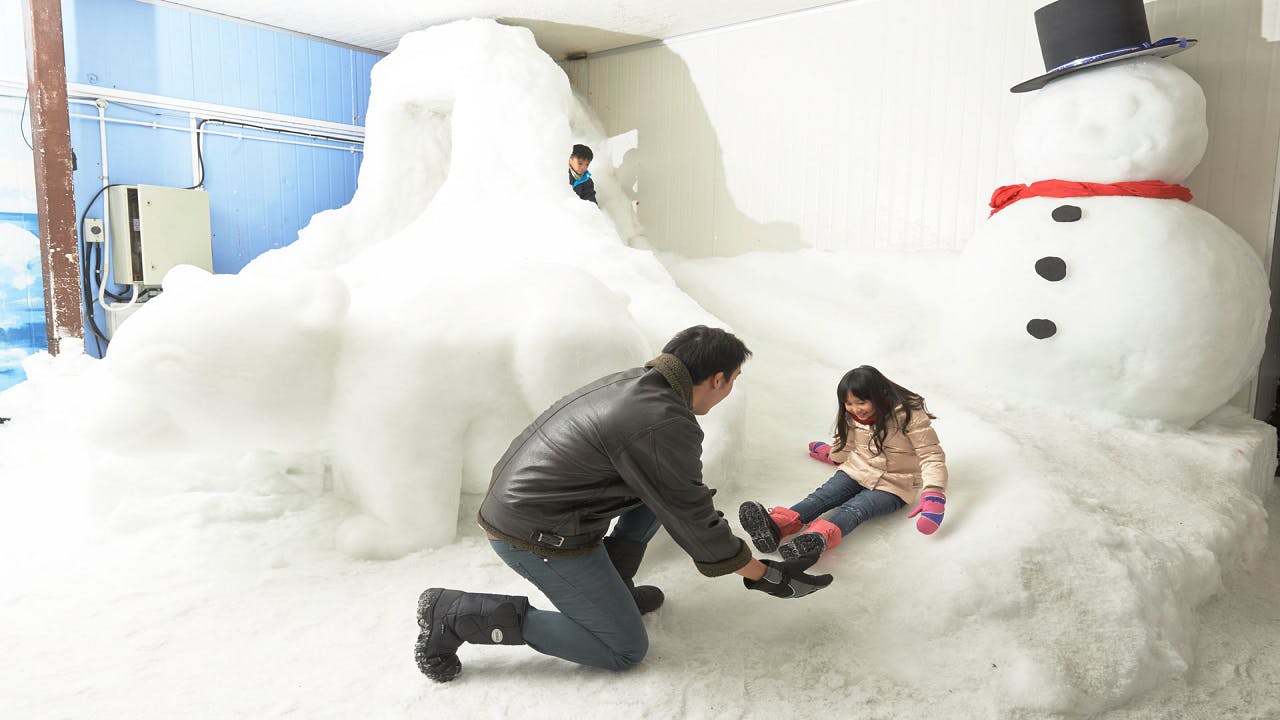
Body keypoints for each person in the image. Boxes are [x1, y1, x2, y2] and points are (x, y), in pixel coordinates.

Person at [415, 325, 833, 683]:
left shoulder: (640, 386)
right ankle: (457, 613)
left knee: (665, 493)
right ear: (718, 379)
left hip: (541, 510)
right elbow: (692, 516)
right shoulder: (662, 421)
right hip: (535, 535)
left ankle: (613, 585)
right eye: (735, 379)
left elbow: (679, 496)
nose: (729, 390)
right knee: (623, 648)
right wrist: (764, 575)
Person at [739, 365, 949, 560]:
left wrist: (934, 493)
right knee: (821, 497)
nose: (855, 409)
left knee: (856, 508)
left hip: (895, 485)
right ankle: (777, 526)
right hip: (856, 470)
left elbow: (930, 454)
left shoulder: (909, 416)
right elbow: (848, 443)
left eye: (861, 402)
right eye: (849, 403)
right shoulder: (853, 417)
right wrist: (833, 456)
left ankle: (816, 539)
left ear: (879, 395)